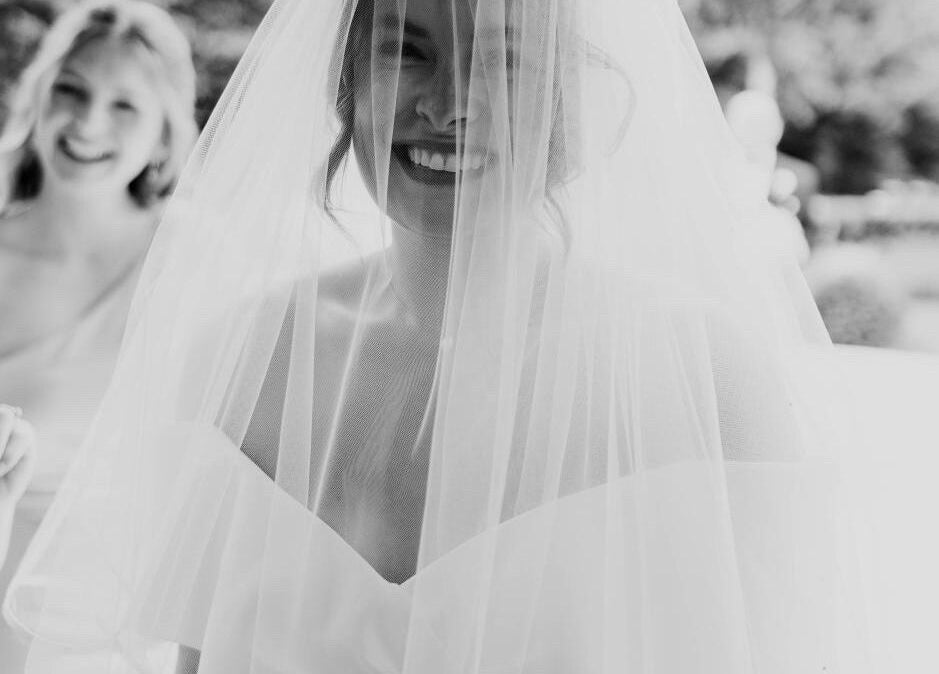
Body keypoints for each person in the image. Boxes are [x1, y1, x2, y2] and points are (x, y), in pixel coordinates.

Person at [5, 0, 874, 672]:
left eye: (501, 58)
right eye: (407, 48)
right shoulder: (241, 361)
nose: (449, 102)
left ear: (568, 97)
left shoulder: (714, 387)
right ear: (345, 79)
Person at [0, 0, 196, 669]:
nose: (87, 123)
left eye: (124, 106)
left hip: (87, 628)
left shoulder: (189, 266)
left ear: (165, 134)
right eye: (72, 90)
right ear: (39, 95)